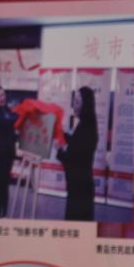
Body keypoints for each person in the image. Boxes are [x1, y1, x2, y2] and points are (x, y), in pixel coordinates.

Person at [56, 86, 98, 220]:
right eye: (74, 101)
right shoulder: (86, 123)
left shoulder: (87, 128)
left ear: (86, 105)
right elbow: (76, 143)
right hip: (79, 186)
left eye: (77, 102)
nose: (74, 105)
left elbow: (74, 159)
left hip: (79, 189)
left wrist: (59, 151)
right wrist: (61, 134)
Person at [0, 87, 19, 218]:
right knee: (0, 186)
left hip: (8, 153)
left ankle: (5, 214)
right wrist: (19, 115)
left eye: (4, 95)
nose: (3, 97)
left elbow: (12, 126)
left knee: (6, 185)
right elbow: (6, 122)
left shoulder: (7, 110)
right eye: (0, 96)